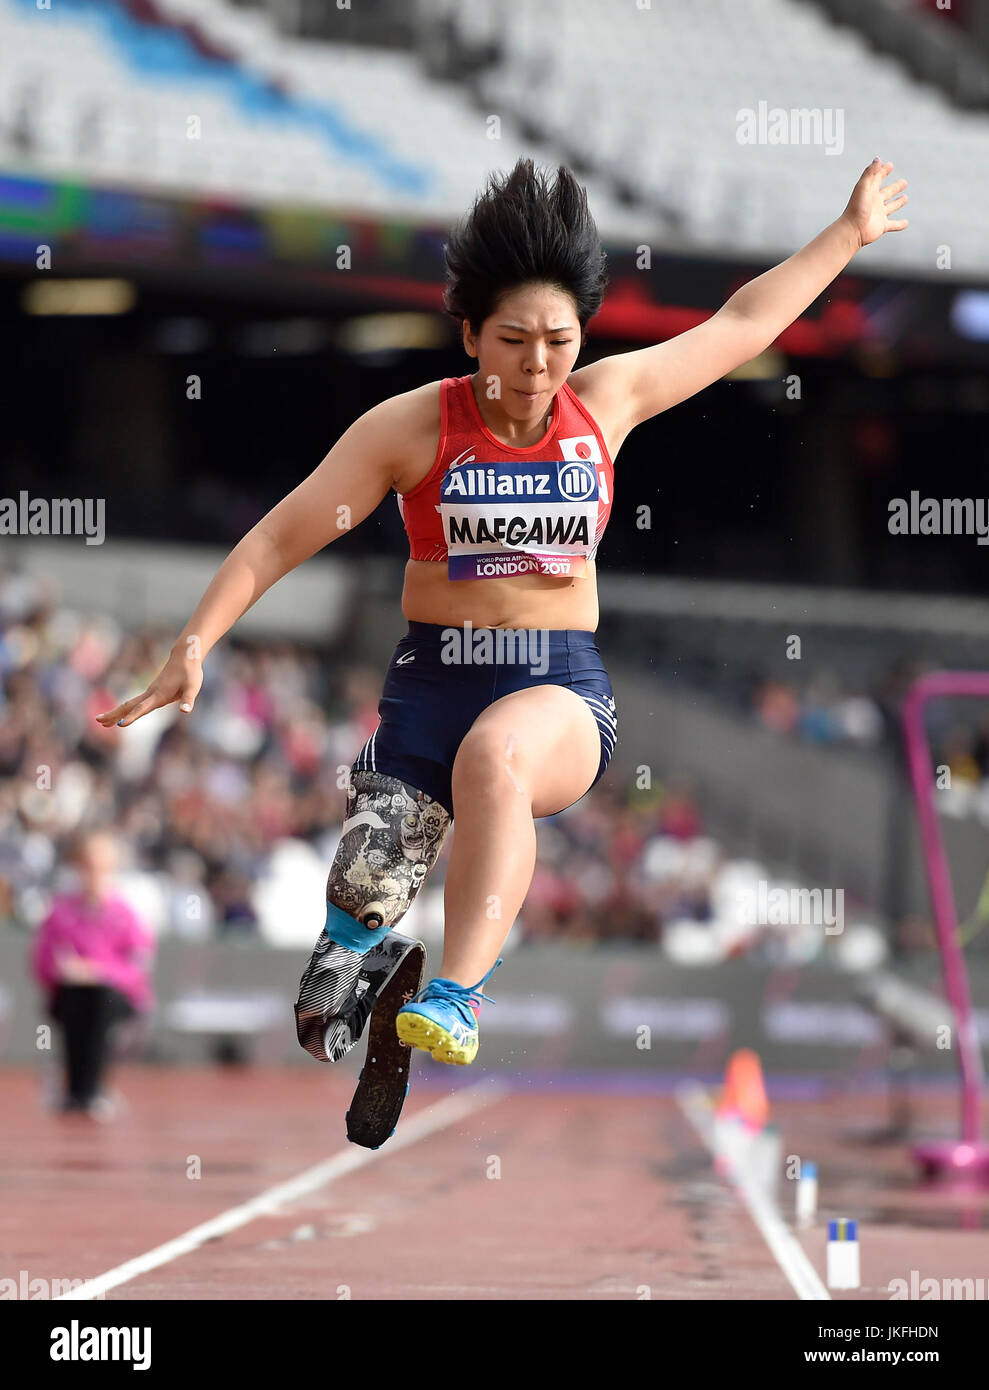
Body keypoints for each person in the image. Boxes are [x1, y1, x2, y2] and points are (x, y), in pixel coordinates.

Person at [96, 155, 908, 1070]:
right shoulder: (408, 428)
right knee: (345, 943)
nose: (538, 366)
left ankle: (458, 995)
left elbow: (743, 322)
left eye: (559, 341)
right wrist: (195, 641)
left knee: (497, 758)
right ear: (471, 334)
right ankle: (358, 962)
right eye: (514, 340)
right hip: (429, 688)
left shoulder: (607, 403)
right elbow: (279, 539)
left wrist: (845, 235)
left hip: (556, 684)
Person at [30, 828, 155, 1119]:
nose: (94, 873)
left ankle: (89, 1090)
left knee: (99, 999)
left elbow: (138, 968)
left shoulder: (127, 914)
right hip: (70, 996)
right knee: (78, 998)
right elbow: (42, 963)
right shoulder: (60, 912)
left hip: (114, 999)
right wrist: (67, 972)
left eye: (100, 866)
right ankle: (78, 1089)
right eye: (87, 865)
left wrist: (99, 972)